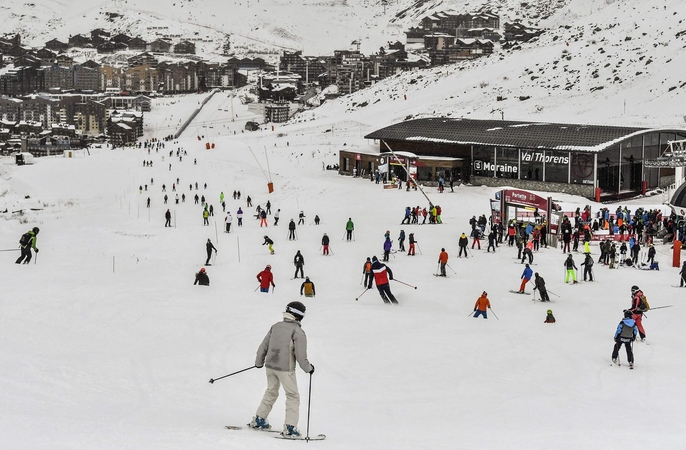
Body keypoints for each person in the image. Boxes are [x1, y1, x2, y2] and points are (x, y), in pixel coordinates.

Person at [251, 301, 314, 437]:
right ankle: (290, 428)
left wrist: (259, 362)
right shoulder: (298, 331)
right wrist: (308, 369)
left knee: (271, 391)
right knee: (292, 396)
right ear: (299, 316)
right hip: (285, 369)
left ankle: (259, 419)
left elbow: (263, 346)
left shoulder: (275, 326)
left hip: (270, 366)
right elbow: (301, 355)